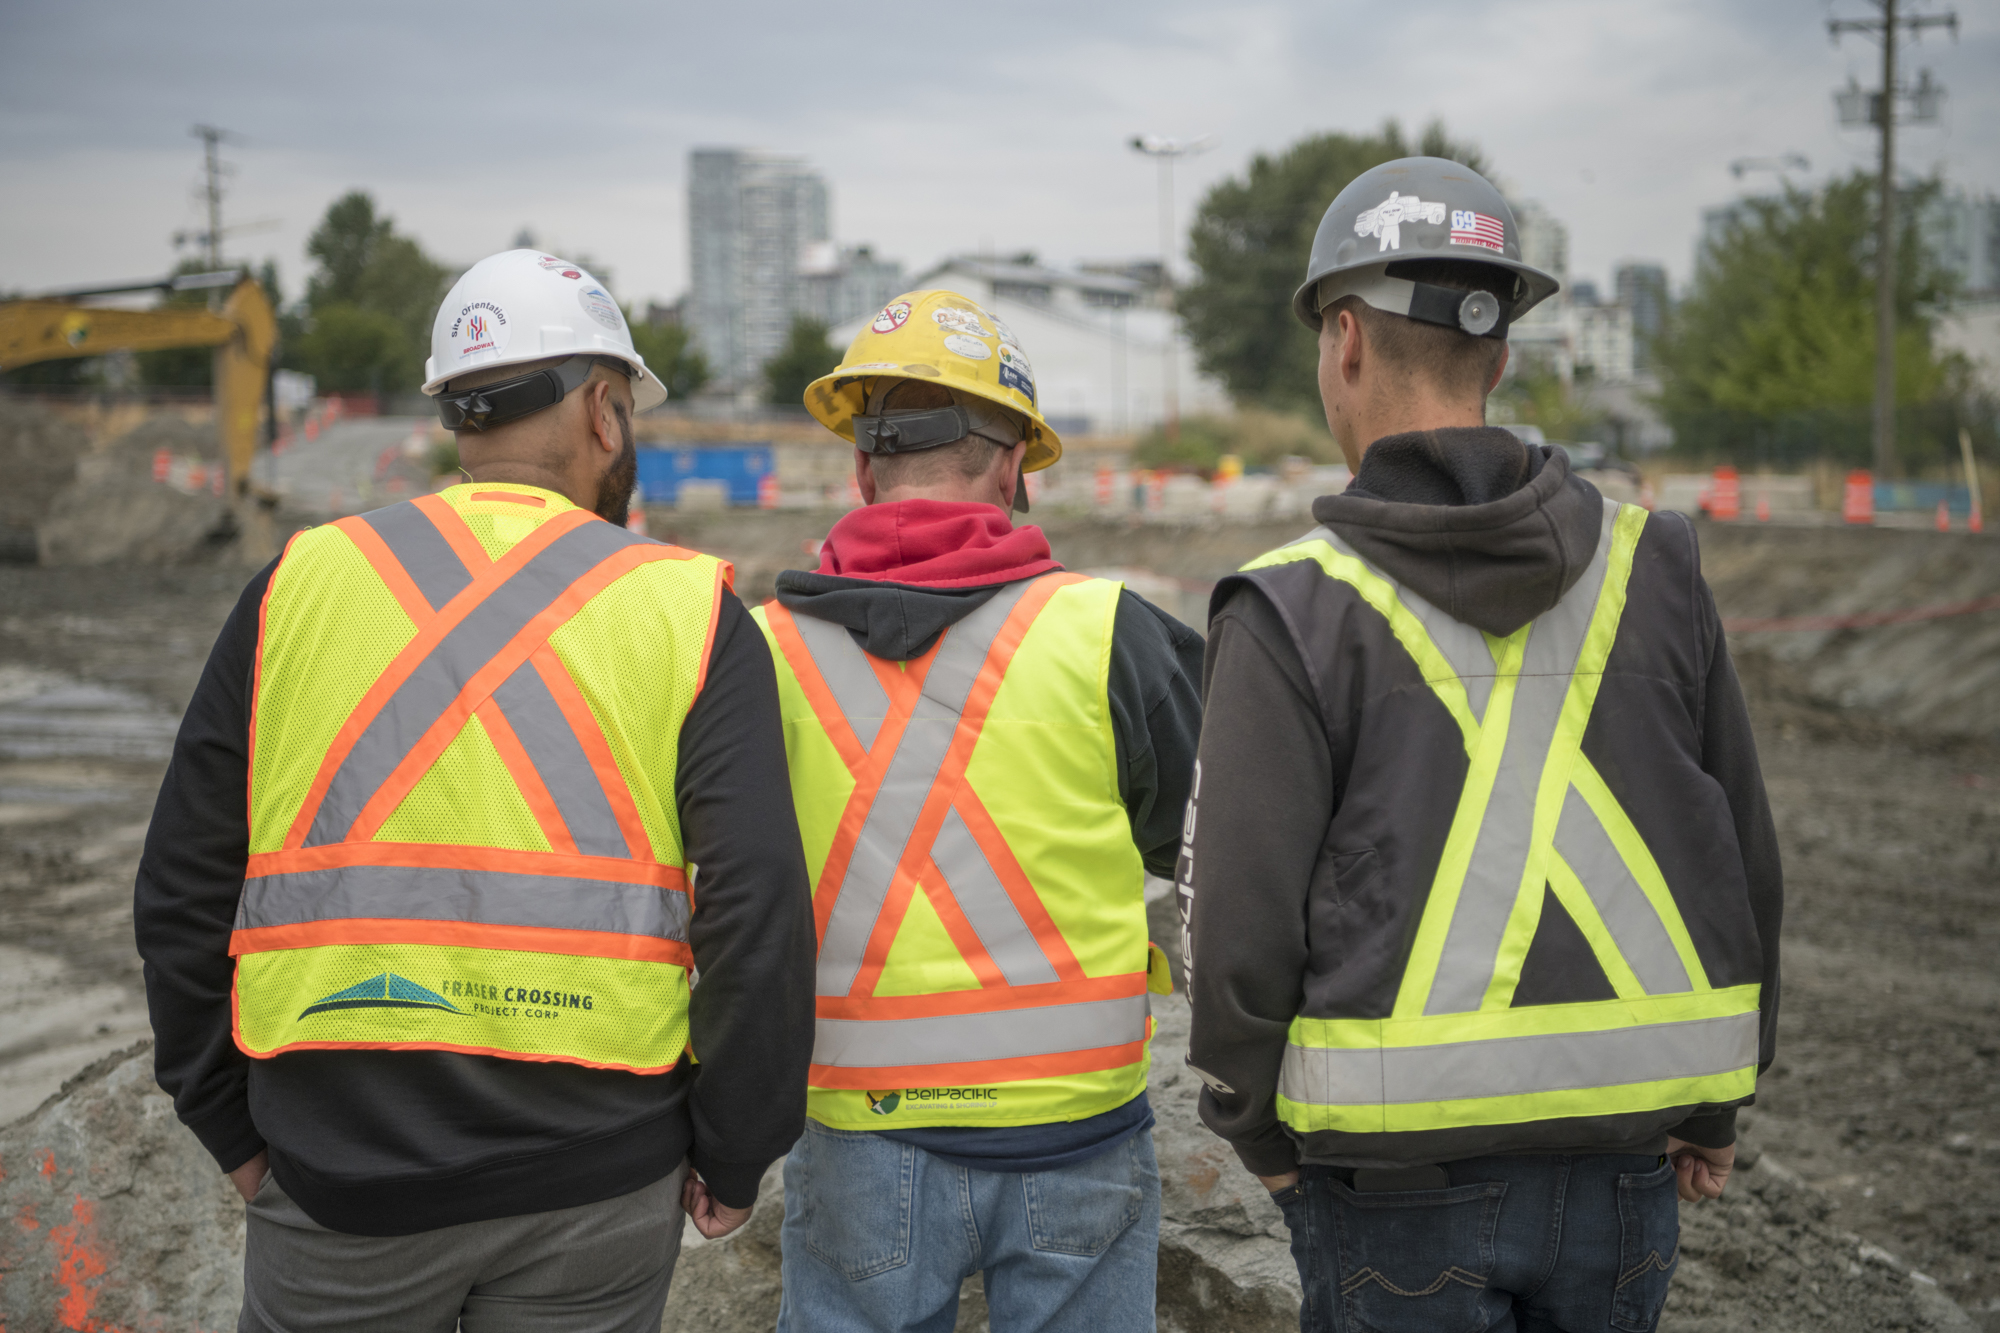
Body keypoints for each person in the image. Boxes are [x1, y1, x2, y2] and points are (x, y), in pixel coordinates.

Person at [133, 248, 817, 1331]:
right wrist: (735, 1147)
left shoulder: (298, 583)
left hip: (339, 1174)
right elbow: (757, 902)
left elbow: (181, 881)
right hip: (596, 1176)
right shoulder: (686, 608)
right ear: (604, 410)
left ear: (459, 411)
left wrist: (232, 1124)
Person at [1180, 159, 1783, 1333]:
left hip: (1390, 1185)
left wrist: (1249, 1117)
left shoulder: (1290, 606)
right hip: (1622, 1168)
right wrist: (1713, 1103)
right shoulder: (1652, 564)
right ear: (1498, 355)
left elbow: (1235, 914)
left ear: (1342, 341)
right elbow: (1743, 851)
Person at [752, 289, 1203, 1333]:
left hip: (857, 1133)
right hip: (1075, 1132)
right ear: (1012, 467)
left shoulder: (763, 648)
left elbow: (723, 896)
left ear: (861, 467)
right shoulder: (1110, 635)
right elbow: (1212, 850)